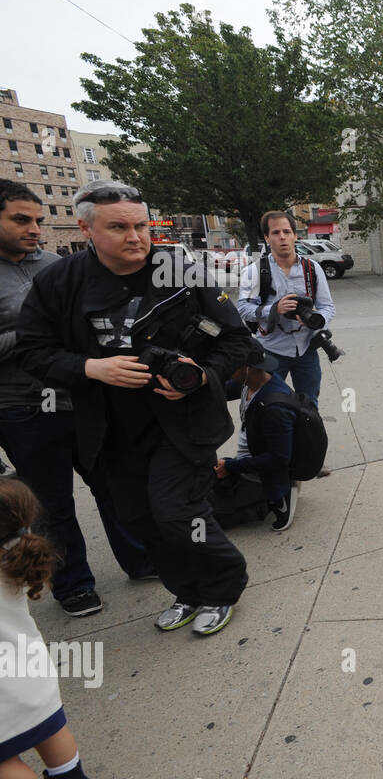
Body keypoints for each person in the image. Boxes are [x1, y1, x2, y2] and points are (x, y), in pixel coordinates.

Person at [16, 181, 259, 637]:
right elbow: (32, 352)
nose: (136, 237)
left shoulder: (180, 269)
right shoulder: (59, 281)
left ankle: (223, 586)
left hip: (181, 424)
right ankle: (186, 590)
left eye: (141, 225)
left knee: (176, 512)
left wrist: (202, 376)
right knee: (138, 519)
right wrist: (91, 367)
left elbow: (237, 341)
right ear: (86, 229)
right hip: (107, 428)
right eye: (119, 227)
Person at [0, 181, 153, 618]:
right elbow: (38, 343)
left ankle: (140, 558)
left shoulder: (53, 263)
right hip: (22, 410)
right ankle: (74, 585)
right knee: (51, 503)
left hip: (81, 399)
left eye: (38, 220)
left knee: (113, 485)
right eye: (20, 219)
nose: (33, 229)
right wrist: (37, 335)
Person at [0, 478, 93, 779]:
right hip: (30, 668)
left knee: (4, 759)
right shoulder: (17, 554)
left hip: (4, 690)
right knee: (49, 727)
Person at [236, 212, 334, 407]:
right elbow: (244, 308)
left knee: (308, 405)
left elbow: (327, 306)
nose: (282, 236)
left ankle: (307, 438)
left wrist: (317, 319)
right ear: (267, 237)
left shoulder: (312, 269)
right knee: (263, 404)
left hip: (306, 348)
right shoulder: (254, 271)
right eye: (276, 232)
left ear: (294, 235)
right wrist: (273, 309)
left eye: (287, 231)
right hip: (271, 351)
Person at [211, 347, 298, 532]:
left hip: (261, 473)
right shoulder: (251, 382)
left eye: (231, 366)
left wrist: (230, 466)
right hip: (247, 461)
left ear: (248, 368)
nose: (227, 370)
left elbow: (278, 459)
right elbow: (220, 390)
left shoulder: (275, 408)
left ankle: (281, 494)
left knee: (209, 518)